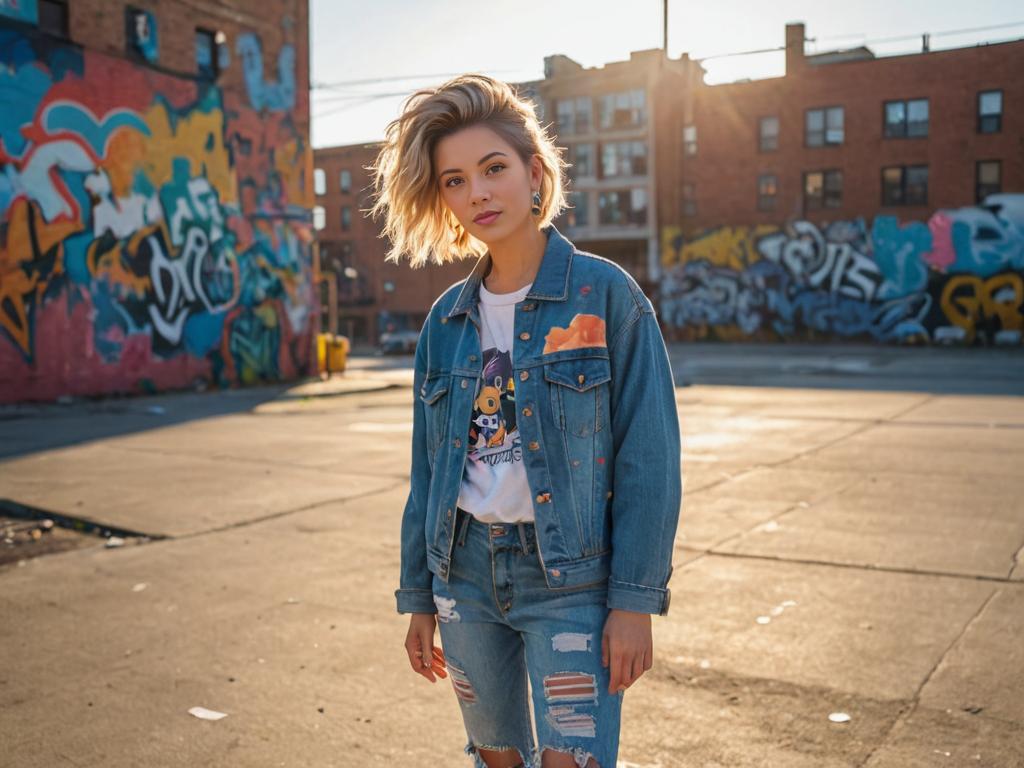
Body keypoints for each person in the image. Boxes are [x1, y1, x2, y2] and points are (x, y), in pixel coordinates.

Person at [370, 73, 682, 768]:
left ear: (534, 174)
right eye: (454, 181)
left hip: (570, 581)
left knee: (572, 761)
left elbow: (649, 460)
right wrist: (418, 596)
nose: (476, 193)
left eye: (493, 169)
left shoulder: (606, 296)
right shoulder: (445, 321)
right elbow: (426, 475)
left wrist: (634, 600)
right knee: (497, 759)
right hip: (465, 577)